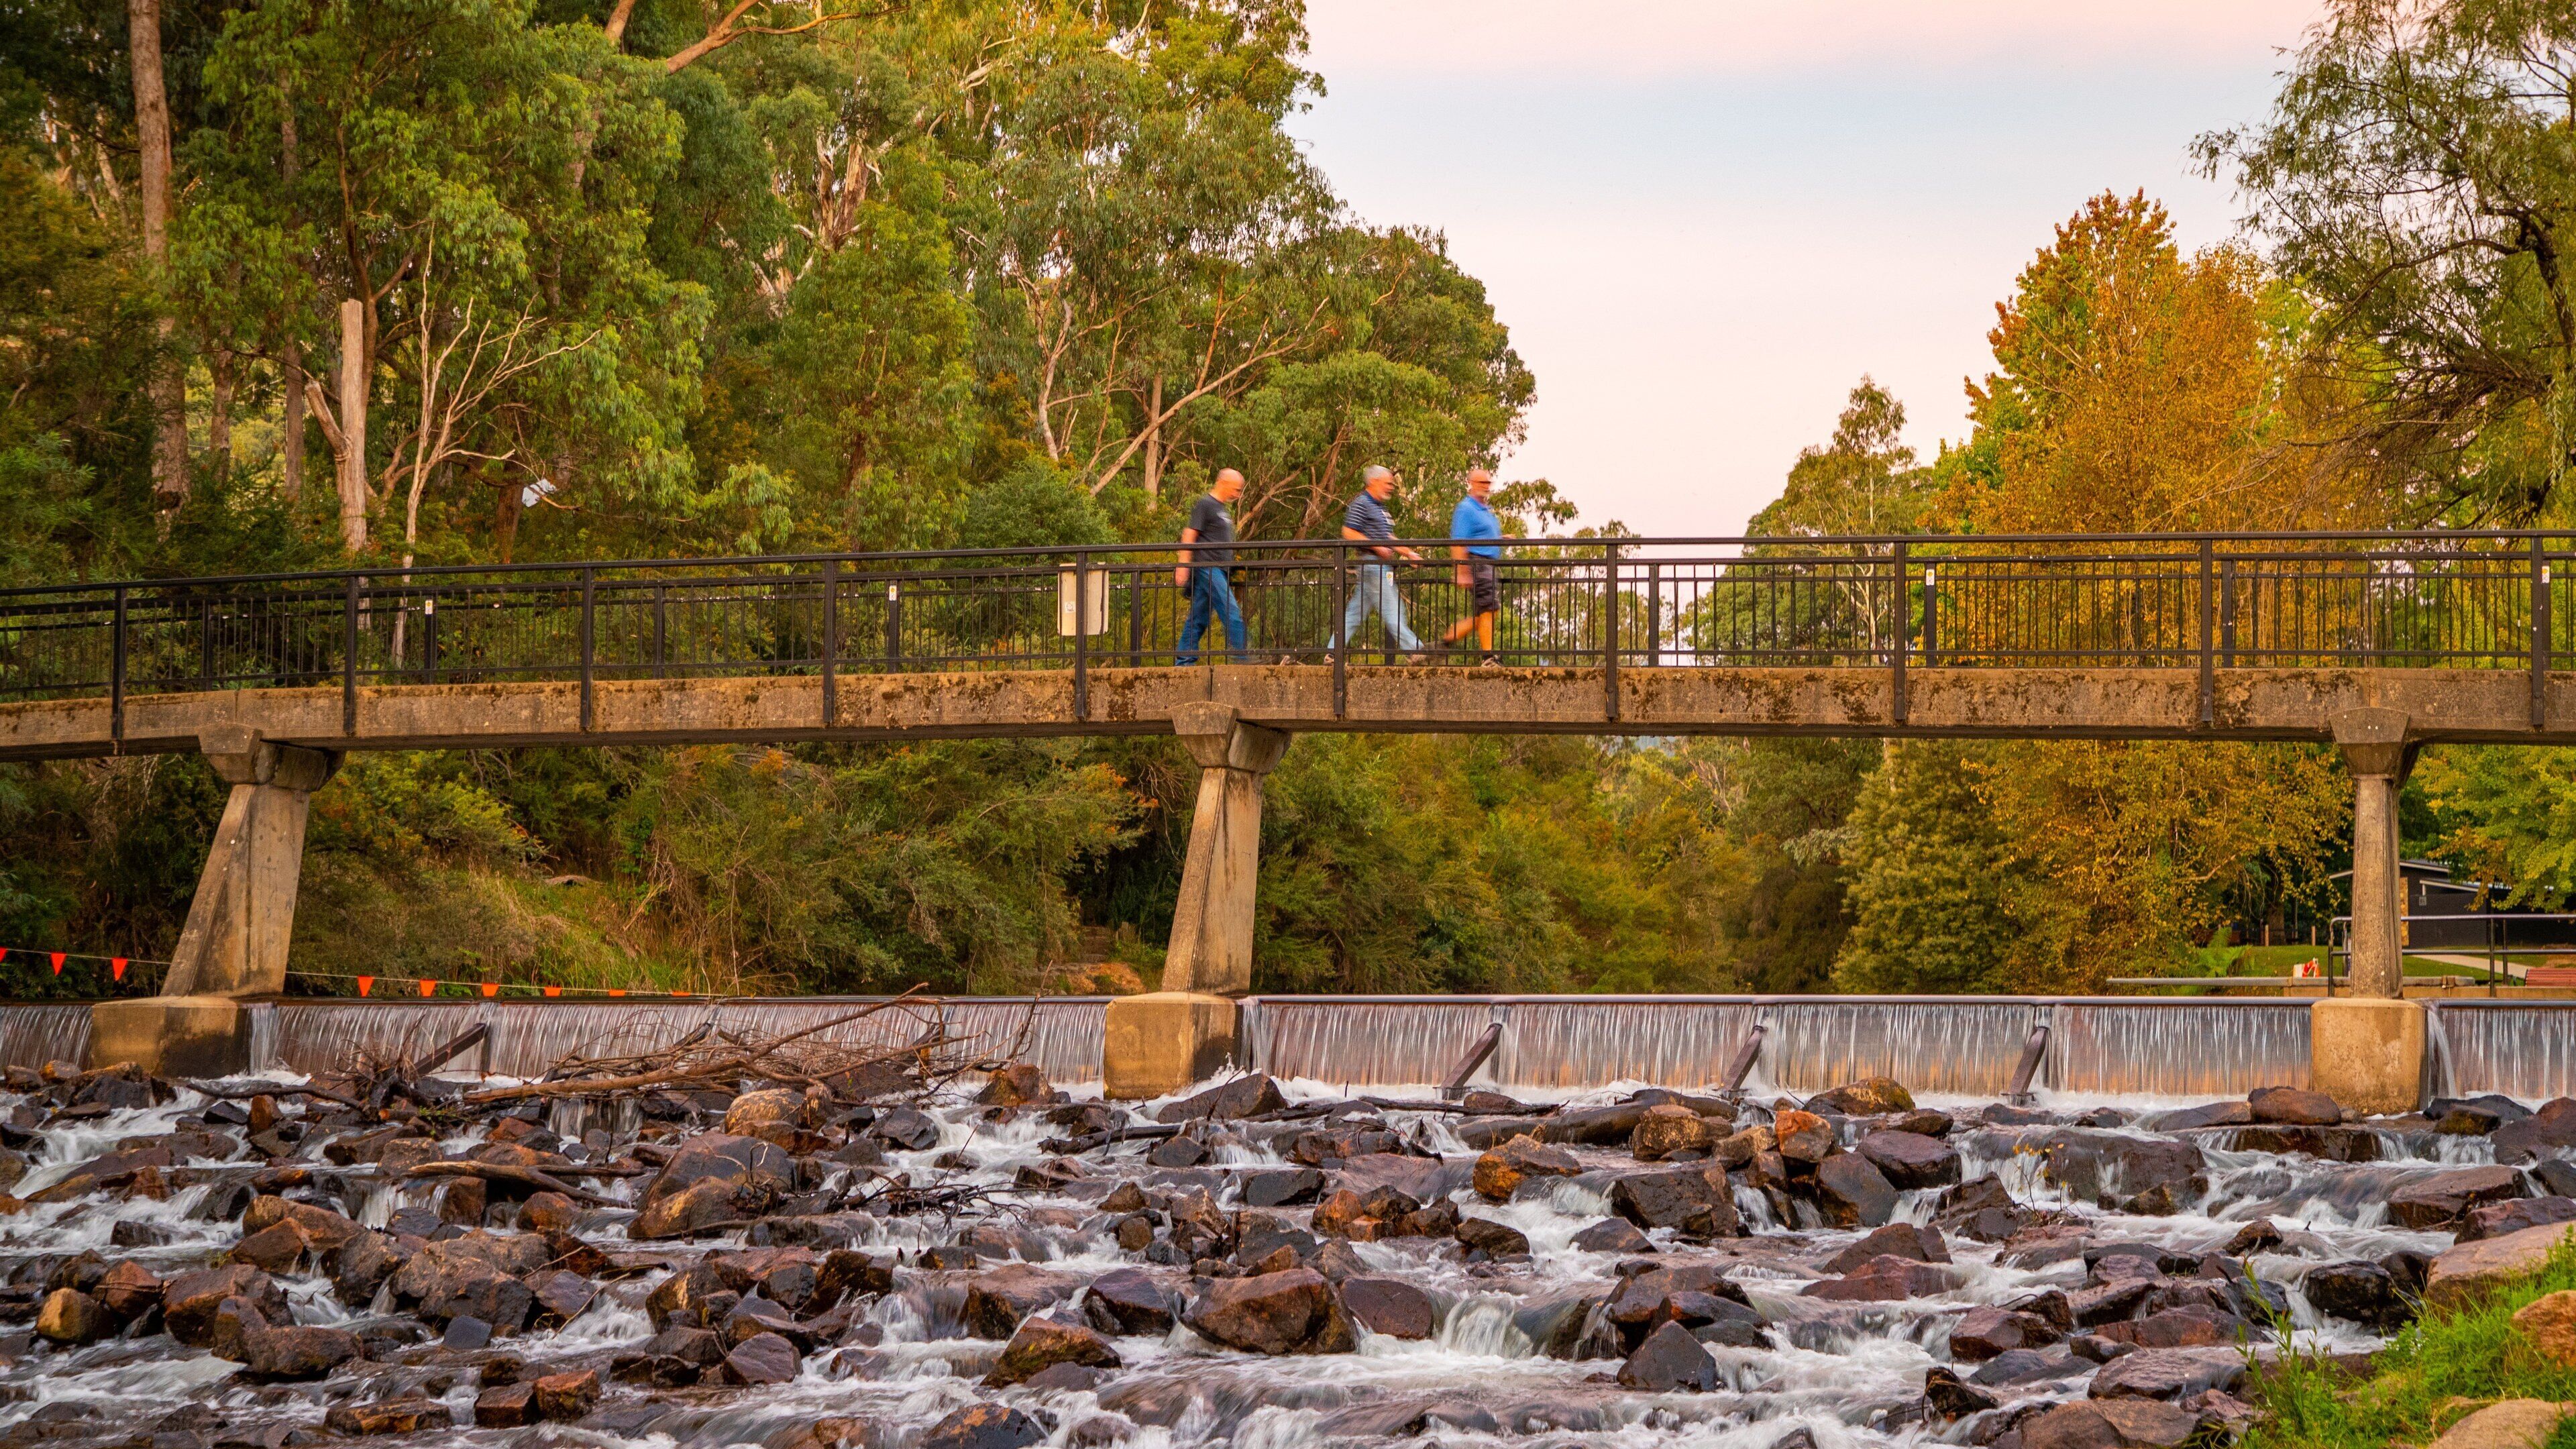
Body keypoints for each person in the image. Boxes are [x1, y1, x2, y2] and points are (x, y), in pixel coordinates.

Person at [1337, 465, 1424, 659]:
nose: (1391, 487)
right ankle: (1415, 650)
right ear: (1374, 482)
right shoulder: (1361, 503)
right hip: (1372, 564)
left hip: (1378, 566)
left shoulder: (1379, 508)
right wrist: (1376, 547)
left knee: (1354, 614)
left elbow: (1388, 537)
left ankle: (1332, 652)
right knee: (1393, 608)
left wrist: (1409, 553)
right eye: (1388, 483)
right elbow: (1348, 532)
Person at [1175, 469, 1247, 665]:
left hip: (1219, 570)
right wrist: (1183, 565)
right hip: (1208, 567)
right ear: (1223, 483)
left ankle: (1184, 661)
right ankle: (1244, 656)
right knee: (1230, 610)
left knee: (1198, 618)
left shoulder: (1221, 509)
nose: (1237, 495)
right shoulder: (1205, 504)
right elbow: (1189, 534)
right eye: (1236, 489)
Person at [1440, 468, 1503, 665]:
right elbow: (1459, 541)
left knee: (1486, 613)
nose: (1487, 487)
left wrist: (1500, 539)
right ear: (1472, 484)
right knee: (1488, 610)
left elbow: (1482, 535)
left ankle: (1449, 638)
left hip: (1487, 564)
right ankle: (1488, 658)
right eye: (1482, 483)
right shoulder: (1466, 508)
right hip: (1478, 564)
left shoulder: (1484, 508)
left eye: (1488, 483)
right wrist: (1461, 570)